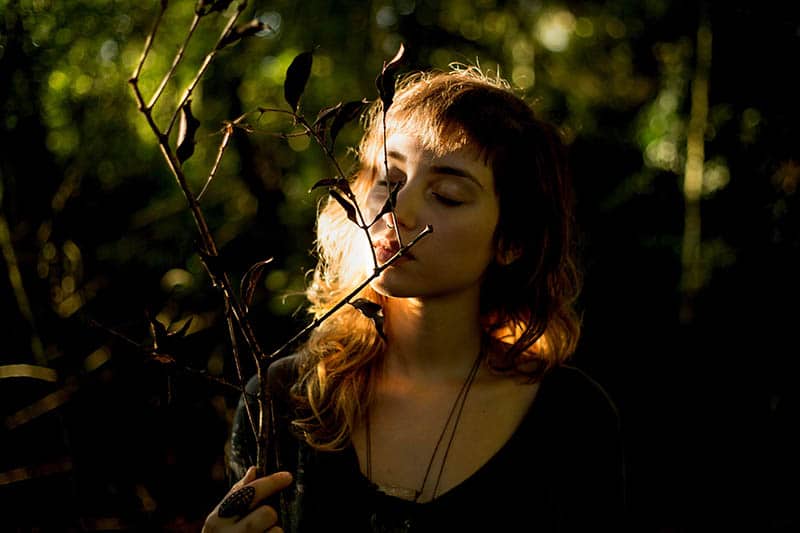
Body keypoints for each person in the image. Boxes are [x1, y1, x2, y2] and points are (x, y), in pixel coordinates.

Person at [203, 65, 626, 532]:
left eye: (446, 195)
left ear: (512, 241)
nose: (396, 210)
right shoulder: (284, 401)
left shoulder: (573, 421)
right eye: (389, 179)